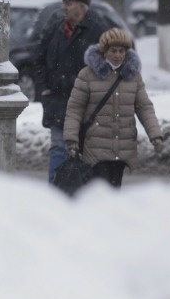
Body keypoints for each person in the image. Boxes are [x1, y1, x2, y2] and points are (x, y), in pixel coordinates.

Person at [62, 28, 163, 188]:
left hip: (122, 147)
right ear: (104, 52)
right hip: (95, 147)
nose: (118, 55)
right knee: (100, 193)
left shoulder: (133, 76)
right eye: (113, 51)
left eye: (121, 51)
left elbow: (144, 107)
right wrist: (71, 139)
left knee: (114, 192)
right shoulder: (87, 75)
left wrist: (155, 134)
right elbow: (75, 109)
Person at [33, 0, 110, 182]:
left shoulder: (97, 30)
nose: (64, 7)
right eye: (64, 2)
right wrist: (43, 89)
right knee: (59, 146)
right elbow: (39, 59)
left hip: (86, 104)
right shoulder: (55, 26)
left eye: (69, 2)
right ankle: (56, 192)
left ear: (82, 6)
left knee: (84, 151)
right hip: (57, 100)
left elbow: (106, 68)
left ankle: (82, 194)